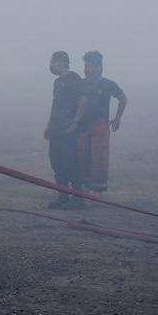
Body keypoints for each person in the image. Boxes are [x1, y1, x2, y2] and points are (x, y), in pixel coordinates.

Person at [77, 51, 127, 193]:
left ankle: (97, 191)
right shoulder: (80, 84)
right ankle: (82, 189)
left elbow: (123, 98)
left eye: (90, 66)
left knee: (99, 158)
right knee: (81, 156)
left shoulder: (108, 84)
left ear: (99, 67)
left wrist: (118, 118)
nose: (86, 69)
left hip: (101, 124)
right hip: (82, 125)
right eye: (85, 66)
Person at [43, 51, 87, 209]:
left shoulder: (74, 79)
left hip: (68, 129)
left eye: (53, 61)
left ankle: (78, 198)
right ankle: (63, 195)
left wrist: (74, 123)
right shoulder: (57, 82)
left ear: (61, 62)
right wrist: (49, 125)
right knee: (57, 162)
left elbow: (83, 101)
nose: (51, 64)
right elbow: (56, 104)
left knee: (71, 162)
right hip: (56, 129)